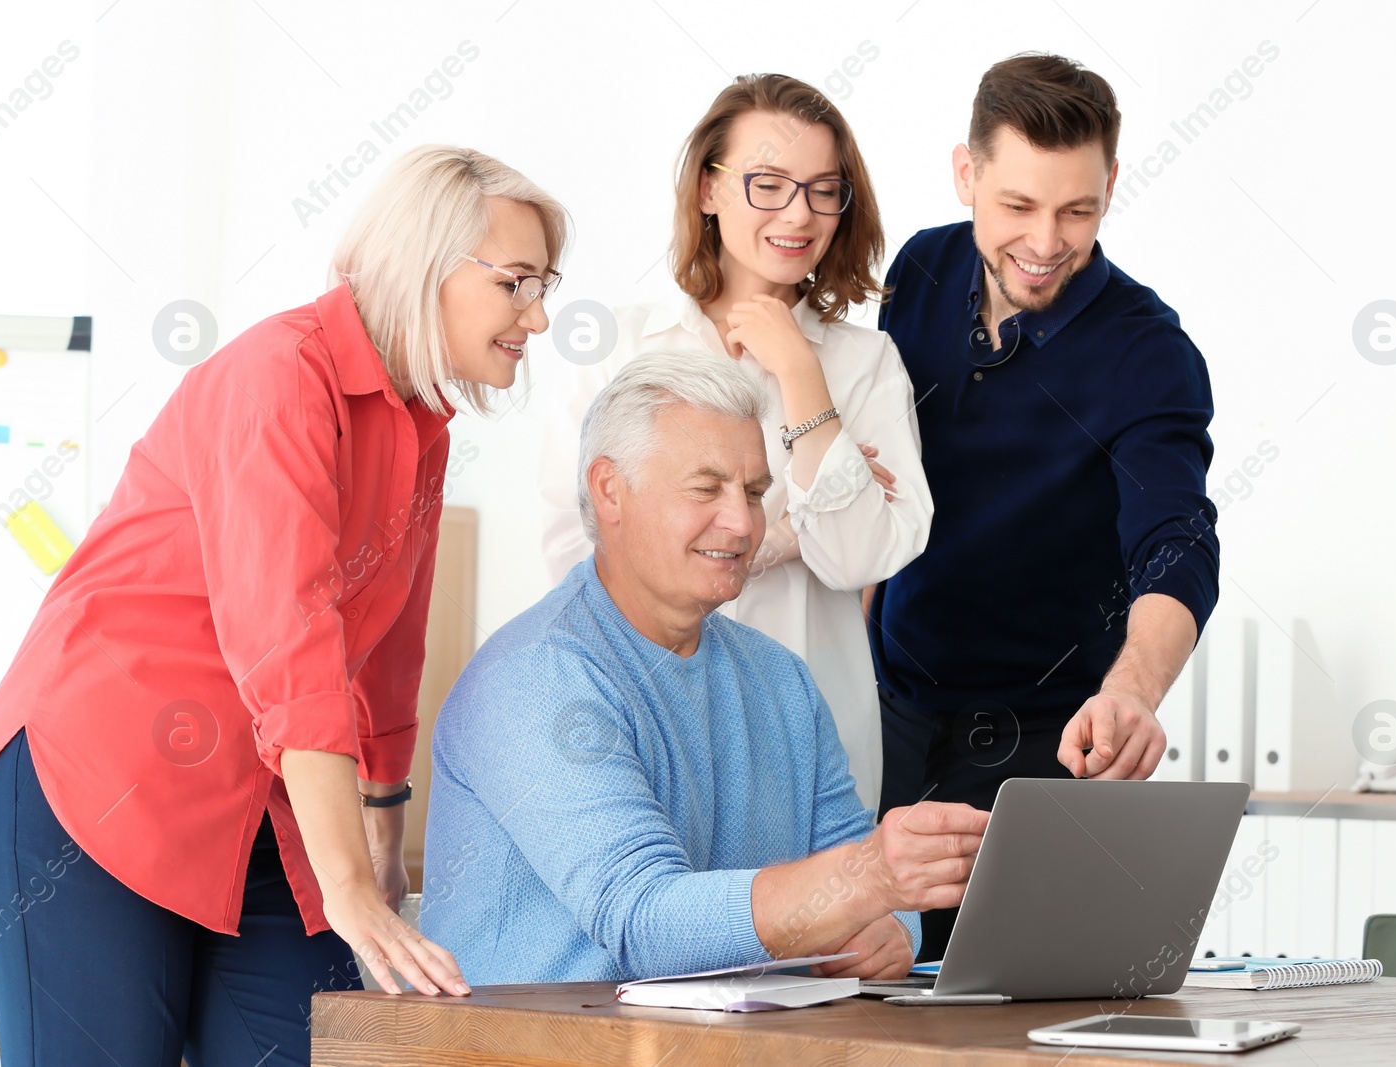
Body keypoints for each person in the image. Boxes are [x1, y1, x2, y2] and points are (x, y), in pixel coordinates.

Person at [0, 144, 567, 1065]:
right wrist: (346, 884)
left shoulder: (421, 426)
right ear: (429, 262)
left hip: (263, 804)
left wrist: (380, 836)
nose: (538, 316)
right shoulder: (279, 377)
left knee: (305, 1045)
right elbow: (289, 640)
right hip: (97, 780)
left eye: (545, 285)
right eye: (518, 283)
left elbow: (386, 649)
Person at [423, 351, 985, 985]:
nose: (743, 523)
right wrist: (867, 881)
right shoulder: (535, 680)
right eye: (705, 488)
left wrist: (888, 928)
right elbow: (645, 924)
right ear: (610, 489)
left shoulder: (782, 680)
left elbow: (858, 868)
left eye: (752, 492)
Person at [870, 54, 1221, 957]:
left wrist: (1133, 692)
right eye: (1017, 207)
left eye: (1077, 210)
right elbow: (877, 475)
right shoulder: (921, 269)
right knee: (853, 988)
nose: (1045, 240)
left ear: (1111, 183)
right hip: (885, 716)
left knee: (1001, 1001)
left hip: (1045, 735)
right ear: (966, 173)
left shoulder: (1147, 350)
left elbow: (1174, 539)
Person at [538, 73, 932, 809]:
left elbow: (858, 556)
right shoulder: (618, 349)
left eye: (823, 189)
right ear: (708, 191)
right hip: (645, 719)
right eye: (769, 183)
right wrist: (779, 535)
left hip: (815, 733)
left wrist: (799, 370)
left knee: (820, 920)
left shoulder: (864, 363)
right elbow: (579, 553)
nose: (799, 213)